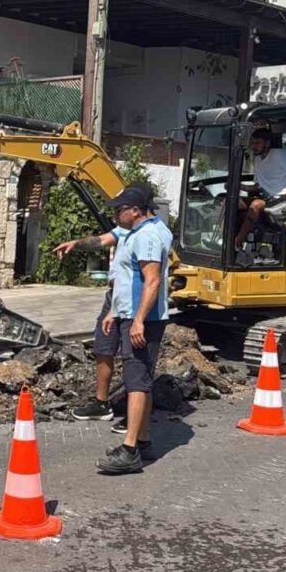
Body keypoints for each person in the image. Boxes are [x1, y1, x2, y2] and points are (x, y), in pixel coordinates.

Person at [93, 184, 173, 474]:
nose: (115, 215)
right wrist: (116, 311)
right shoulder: (142, 232)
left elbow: (152, 281)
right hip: (134, 314)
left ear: (136, 210)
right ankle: (144, 441)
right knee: (141, 380)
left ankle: (129, 452)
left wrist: (138, 320)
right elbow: (130, 281)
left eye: (119, 210)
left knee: (136, 381)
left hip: (144, 320)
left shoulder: (147, 236)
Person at [56, 225, 128, 423]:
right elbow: (101, 240)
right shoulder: (124, 229)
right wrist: (76, 243)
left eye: (121, 211)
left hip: (133, 296)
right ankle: (101, 403)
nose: (117, 215)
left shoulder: (149, 232)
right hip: (114, 295)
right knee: (104, 346)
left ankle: (135, 414)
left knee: (133, 356)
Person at [235, 125, 286, 249]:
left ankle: (238, 241)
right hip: (265, 197)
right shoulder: (258, 160)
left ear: (267, 143)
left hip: (280, 199)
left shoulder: (279, 155)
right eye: (253, 143)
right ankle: (223, 237)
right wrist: (238, 186)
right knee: (232, 201)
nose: (254, 146)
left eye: (257, 143)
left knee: (255, 205)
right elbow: (258, 186)